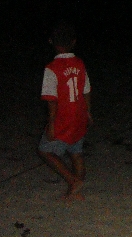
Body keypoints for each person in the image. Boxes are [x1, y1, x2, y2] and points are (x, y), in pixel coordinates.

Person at [38, 21, 93, 201]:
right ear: (74, 42)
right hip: (79, 114)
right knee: (76, 153)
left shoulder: (51, 68)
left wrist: (52, 123)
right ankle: (76, 191)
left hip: (64, 117)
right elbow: (86, 90)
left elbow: (51, 99)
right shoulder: (79, 63)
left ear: (51, 42)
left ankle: (72, 181)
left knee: (45, 151)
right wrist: (88, 112)